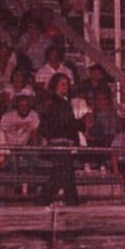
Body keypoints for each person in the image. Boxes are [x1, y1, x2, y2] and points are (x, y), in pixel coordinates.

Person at [38, 73, 82, 205]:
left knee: (65, 175)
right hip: (59, 143)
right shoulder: (55, 103)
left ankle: (70, 202)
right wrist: (80, 124)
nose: (66, 87)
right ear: (55, 85)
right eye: (62, 84)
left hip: (64, 143)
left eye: (67, 84)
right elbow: (63, 124)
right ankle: (44, 199)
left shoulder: (63, 103)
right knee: (63, 175)